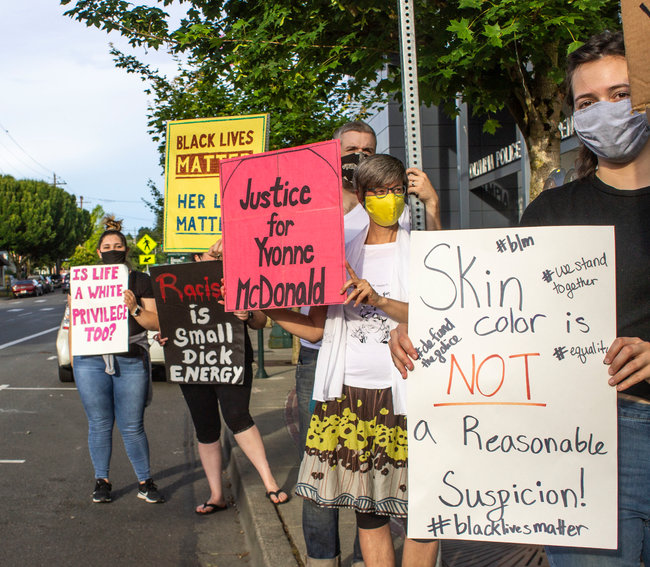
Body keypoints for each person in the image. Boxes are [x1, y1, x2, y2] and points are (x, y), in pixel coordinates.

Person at [389, 30, 650, 566]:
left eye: (620, 94)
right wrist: (430, 329)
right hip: (585, 450)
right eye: (587, 102)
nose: (605, 111)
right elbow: (503, 319)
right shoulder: (551, 213)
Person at [266, 154, 439, 567]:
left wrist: (378, 299)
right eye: (379, 192)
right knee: (369, 511)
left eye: (396, 191)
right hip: (350, 394)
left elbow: (439, 313)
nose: (389, 200)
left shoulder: (418, 246)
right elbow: (315, 329)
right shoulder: (339, 252)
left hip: (407, 393)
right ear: (361, 197)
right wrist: (265, 306)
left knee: (424, 509)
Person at [161, 248, 288, 514]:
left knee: (238, 417)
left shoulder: (239, 277)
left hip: (231, 358)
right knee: (205, 428)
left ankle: (269, 481)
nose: (220, 260)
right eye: (213, 255)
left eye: (222, 255)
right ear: (196, 258)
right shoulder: (176, 283)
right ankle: (216, 494)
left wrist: (248, 315)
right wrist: (164, 337)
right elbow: (167, 323)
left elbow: (261, 320)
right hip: (193, 361)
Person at [70, 227, 165, 504]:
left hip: (130, 357)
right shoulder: (84, 280)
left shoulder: (140, 280)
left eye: (118, 245)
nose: (113, 249)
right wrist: (77, 359)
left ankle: (145, 481)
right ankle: (102, 481)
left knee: (132, 425)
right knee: (99, 423)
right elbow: (77, 321)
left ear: (126, 250)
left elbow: (156, 321)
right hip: (90, 361)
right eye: (107, 246)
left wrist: (134, 308)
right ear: (99, 252)